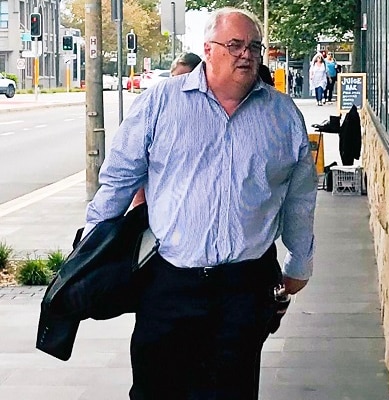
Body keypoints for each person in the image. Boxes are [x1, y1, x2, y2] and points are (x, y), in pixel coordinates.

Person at [83, 7, 317, 399]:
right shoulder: (161, 103)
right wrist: (90, 249)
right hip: (170, 281)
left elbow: (299, 197)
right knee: (157, 389)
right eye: (235, 45)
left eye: (253, 46)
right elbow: (119, 179)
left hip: (245, 285)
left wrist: (299, 263)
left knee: (232, 390)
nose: (246, 54)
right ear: (208, 50)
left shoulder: (282, 115)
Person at [130, 52, 203, 209]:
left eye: (185, 79)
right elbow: (136, 161)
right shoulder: (157, 107)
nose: (179, 86)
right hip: (161, 206)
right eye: (175, 79)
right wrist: (139, 205)